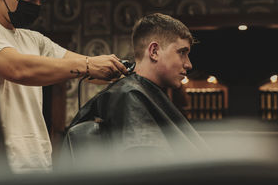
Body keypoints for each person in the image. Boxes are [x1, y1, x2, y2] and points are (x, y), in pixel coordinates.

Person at [0, 0, 127, 173]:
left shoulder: (34, 40)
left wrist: (121, 68)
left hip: (37, 162)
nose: (36, 7)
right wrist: (88, 64)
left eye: (41, 1)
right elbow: (16, 68)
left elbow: (90, 71)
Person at [63, 13, 210, 167]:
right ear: (154, 51)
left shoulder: (139, 93)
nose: (189, 64)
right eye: (182, 52)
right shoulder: (130, 95)